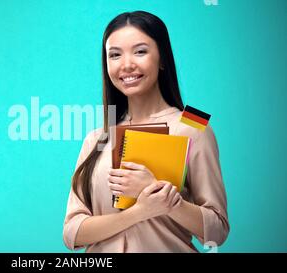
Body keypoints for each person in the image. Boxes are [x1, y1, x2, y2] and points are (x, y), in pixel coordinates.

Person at [62, 11, 229, 252]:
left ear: (162, 58)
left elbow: (217, 231)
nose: (127, 64)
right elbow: (71, 233)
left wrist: (164, 199)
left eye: (140, 51)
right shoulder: (96, 138)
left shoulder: (194, 124)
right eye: (115, 55)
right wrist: (140, 211)